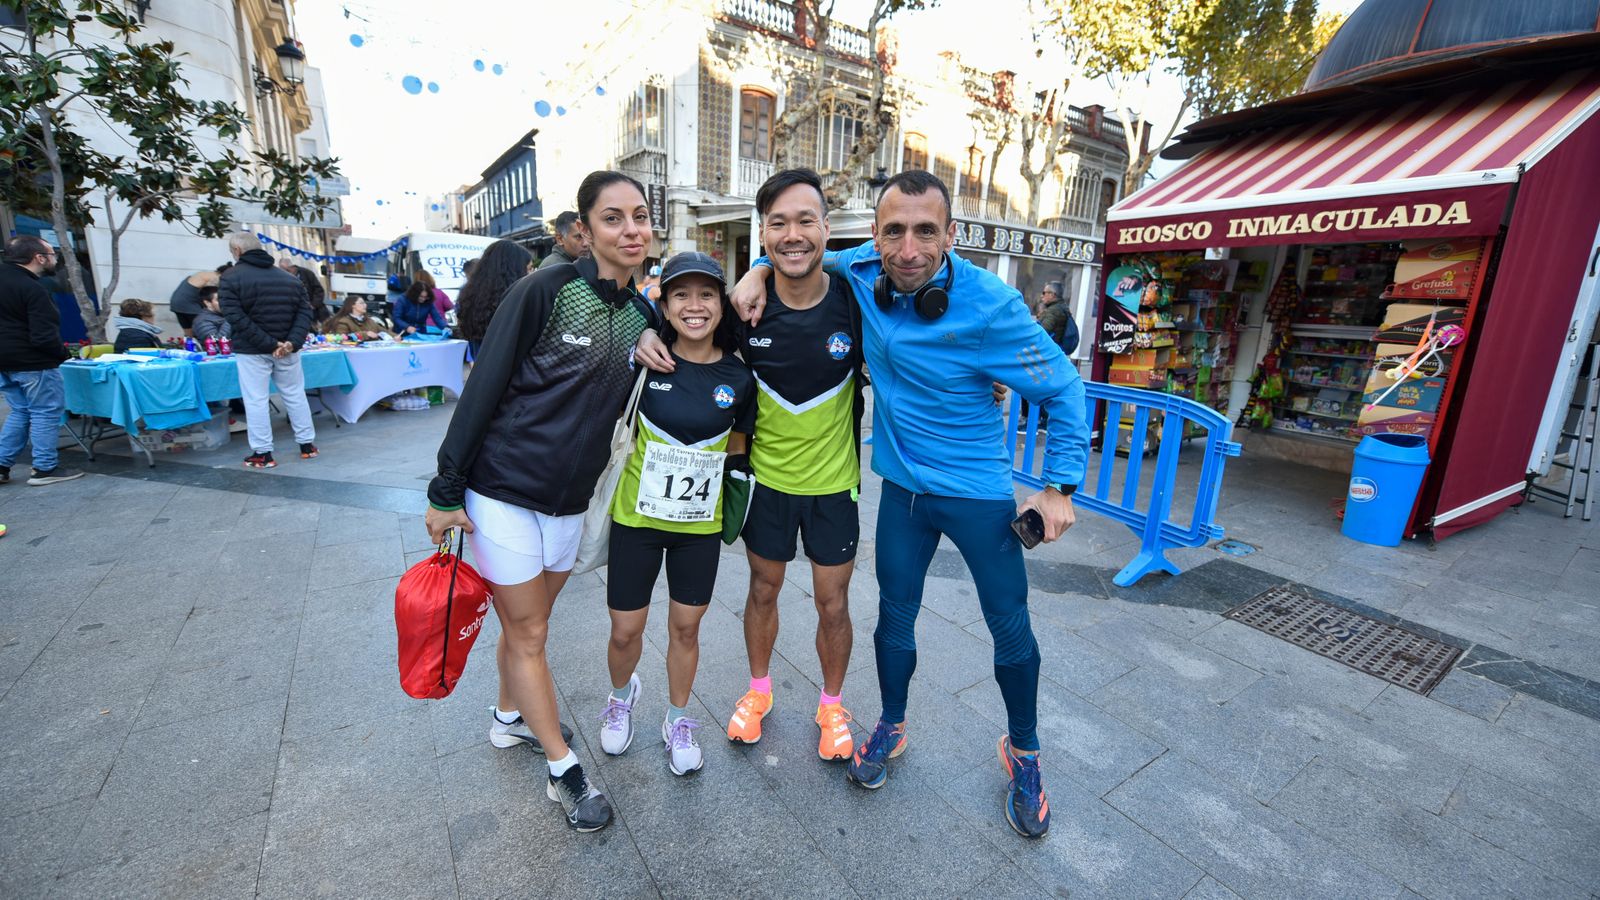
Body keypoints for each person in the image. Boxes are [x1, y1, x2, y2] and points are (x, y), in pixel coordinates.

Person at [726, 171, 1088, 839]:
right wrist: (752, 269)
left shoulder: (993, 306)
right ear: (874, 236)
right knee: (894, 618)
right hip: (902, 491)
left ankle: (1025, 752)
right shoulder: (862, 270)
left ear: (952, 236)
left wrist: (1059, 486)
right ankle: (890, 724)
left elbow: (1065, 388)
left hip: (978, 492)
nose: (910, 247)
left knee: (1009, 626)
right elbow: (797, 246)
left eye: (927, 231)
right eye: (894, 230)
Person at [424, 170, 658, 833]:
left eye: (640, 216)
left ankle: (507, 720)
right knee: (528, 632)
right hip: (502, 492)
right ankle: (564, 769)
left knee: (528, 628)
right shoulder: (544, 290)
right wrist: (446, 491)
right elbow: (484, 388)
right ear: (584, 230)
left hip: (572, 503)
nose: (631, 228)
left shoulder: (642, 313)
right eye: (613, 218)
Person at [637, 168, 866, 762]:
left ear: (826, 226)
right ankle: (759, 692)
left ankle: (832, 705)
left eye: (805, 220)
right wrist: (642, 336)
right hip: (765, 484)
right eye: (778, 224)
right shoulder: (743, 312)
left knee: (833, 604)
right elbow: (685, 322)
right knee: (762, 591)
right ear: (762, 231)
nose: (793, 235)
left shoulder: (854, 300)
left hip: (834, 487)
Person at [600, 252, 755, 776]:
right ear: (662, 304)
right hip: (636, 522)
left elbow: (738, 448)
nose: (694, 306)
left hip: (698, 530)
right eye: (681, 295)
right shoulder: (643, 359)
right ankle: (621, 696)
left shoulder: (739, 376)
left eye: (706, 294)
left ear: (720, 303)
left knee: (686, 628)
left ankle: (678, 718)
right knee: (625, 630)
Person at [219, 232, 317, 469]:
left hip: (253, 349)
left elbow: (235, 317)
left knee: (256, 399)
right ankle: (307, 445)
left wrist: (271, 344)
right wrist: (290, 343)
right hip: (287, 348)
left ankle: (263, 453)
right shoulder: (290, 279)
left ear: (237, 251)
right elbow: (305, 313)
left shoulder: (231, 278)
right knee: (295, 393)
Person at [0, 236, 82, 486]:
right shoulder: (33, 288)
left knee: (21, 410)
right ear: (39, 258)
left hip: (5, 362)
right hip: (33, 361)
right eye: (52, 253)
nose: (54, 258)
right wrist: (63, 354)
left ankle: (2, 465)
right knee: (46, 412)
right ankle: (44, 469)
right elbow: (43, 335)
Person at [455, 239, 533, 357]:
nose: (532, 273)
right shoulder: (515, 299)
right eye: (529, 269)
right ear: (514, 271)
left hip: (483, 369)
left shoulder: (469, 295)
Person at [277, 257, 330, 330]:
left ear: (292, 268)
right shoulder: (283, 278)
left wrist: (313, 305)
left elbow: (319, 290)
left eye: (287, 270)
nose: (285, 273)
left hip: (315, 312)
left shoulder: (307, 273)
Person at [1035, 280, 1079, 358]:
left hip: (1048, 352)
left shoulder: (1054, 311)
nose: (1042, 296)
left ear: (1052, 294)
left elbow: (1042, 331)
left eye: (1044, 293)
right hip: (1055, 351)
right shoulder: (1061, 307)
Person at [169, 271, 218, 337]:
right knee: (200, 329)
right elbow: (209, 294)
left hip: (176, 303)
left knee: (188, 332)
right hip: (189, 304)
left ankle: (189, 344)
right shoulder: (214, 277)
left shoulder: (201, 274)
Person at [323, 296, 395, 341]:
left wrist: (395, 336)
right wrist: (365, 334)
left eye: (365, 303)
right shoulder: (342, 322)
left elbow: (383, 331)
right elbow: (342, 338)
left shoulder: (369, 320)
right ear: (352, 306)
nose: (365, 305)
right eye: (361, 303)